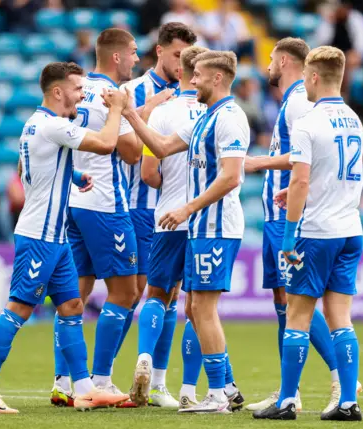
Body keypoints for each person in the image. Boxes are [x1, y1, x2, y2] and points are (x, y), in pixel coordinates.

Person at [0, 61, 131, 413]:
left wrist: (71, 177)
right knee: (20, 308)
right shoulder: (54, 124)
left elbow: (27, 168)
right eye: (77, 89)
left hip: (56, 238)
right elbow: (106, 144)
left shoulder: (35, 125)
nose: (81, 95)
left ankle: (85, 388)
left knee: (72, 307)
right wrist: (118, 108)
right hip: (39, 235)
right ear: (58, 92)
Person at [120, 50, 249, 414]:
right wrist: (131, 114)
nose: (192, 80)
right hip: (198, 228)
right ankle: (224, 386)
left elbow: (231, 176)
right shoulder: (206, 118)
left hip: (213, 225)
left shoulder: (230, 118)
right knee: (194, 307)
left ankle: (219, 393)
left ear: (218, 78)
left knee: (200, 308)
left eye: (200, 76)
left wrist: (187, 208)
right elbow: (159, 147)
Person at [243, 38, 358, 415]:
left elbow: (302, 179)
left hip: (316, 229)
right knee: (341, 316)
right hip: (350, 228)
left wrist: (291, 232)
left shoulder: (307, 117)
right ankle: (346, 400)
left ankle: (289, 398)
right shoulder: (354, 119)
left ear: (311, 76)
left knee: (296, 312)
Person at [50, 28, 145, 407]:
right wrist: (130, 112)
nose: (137, 60)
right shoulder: (113, 95)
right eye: (134, 52)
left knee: (76, 294)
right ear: (117, 57)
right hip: (106, 203)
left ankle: (63, 381)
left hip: (74, 200)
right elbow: (133, 153)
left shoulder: (77, 88)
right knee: (126, 292)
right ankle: (101, 382)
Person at [116, 22, 197, 366]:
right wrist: (148, 109)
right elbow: (131, 155)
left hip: (176, 210)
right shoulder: (133, 90)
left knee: (170, 294)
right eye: (177, 55)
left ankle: (156, 378)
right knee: (134, 294)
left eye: (187, 57)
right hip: (139, 206)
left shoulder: (195, 93)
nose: (183, 63)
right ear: (160, 50)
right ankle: (101, 375)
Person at [132, 45, 208, 409]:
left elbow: (148, 173)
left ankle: (144, 357)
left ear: (181, 72)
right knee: (196, 306)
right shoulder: (218, 112)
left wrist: (172, 182)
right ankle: (185, 389)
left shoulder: (162, 112)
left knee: (156, 295)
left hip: (166, 216)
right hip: (205, 221)